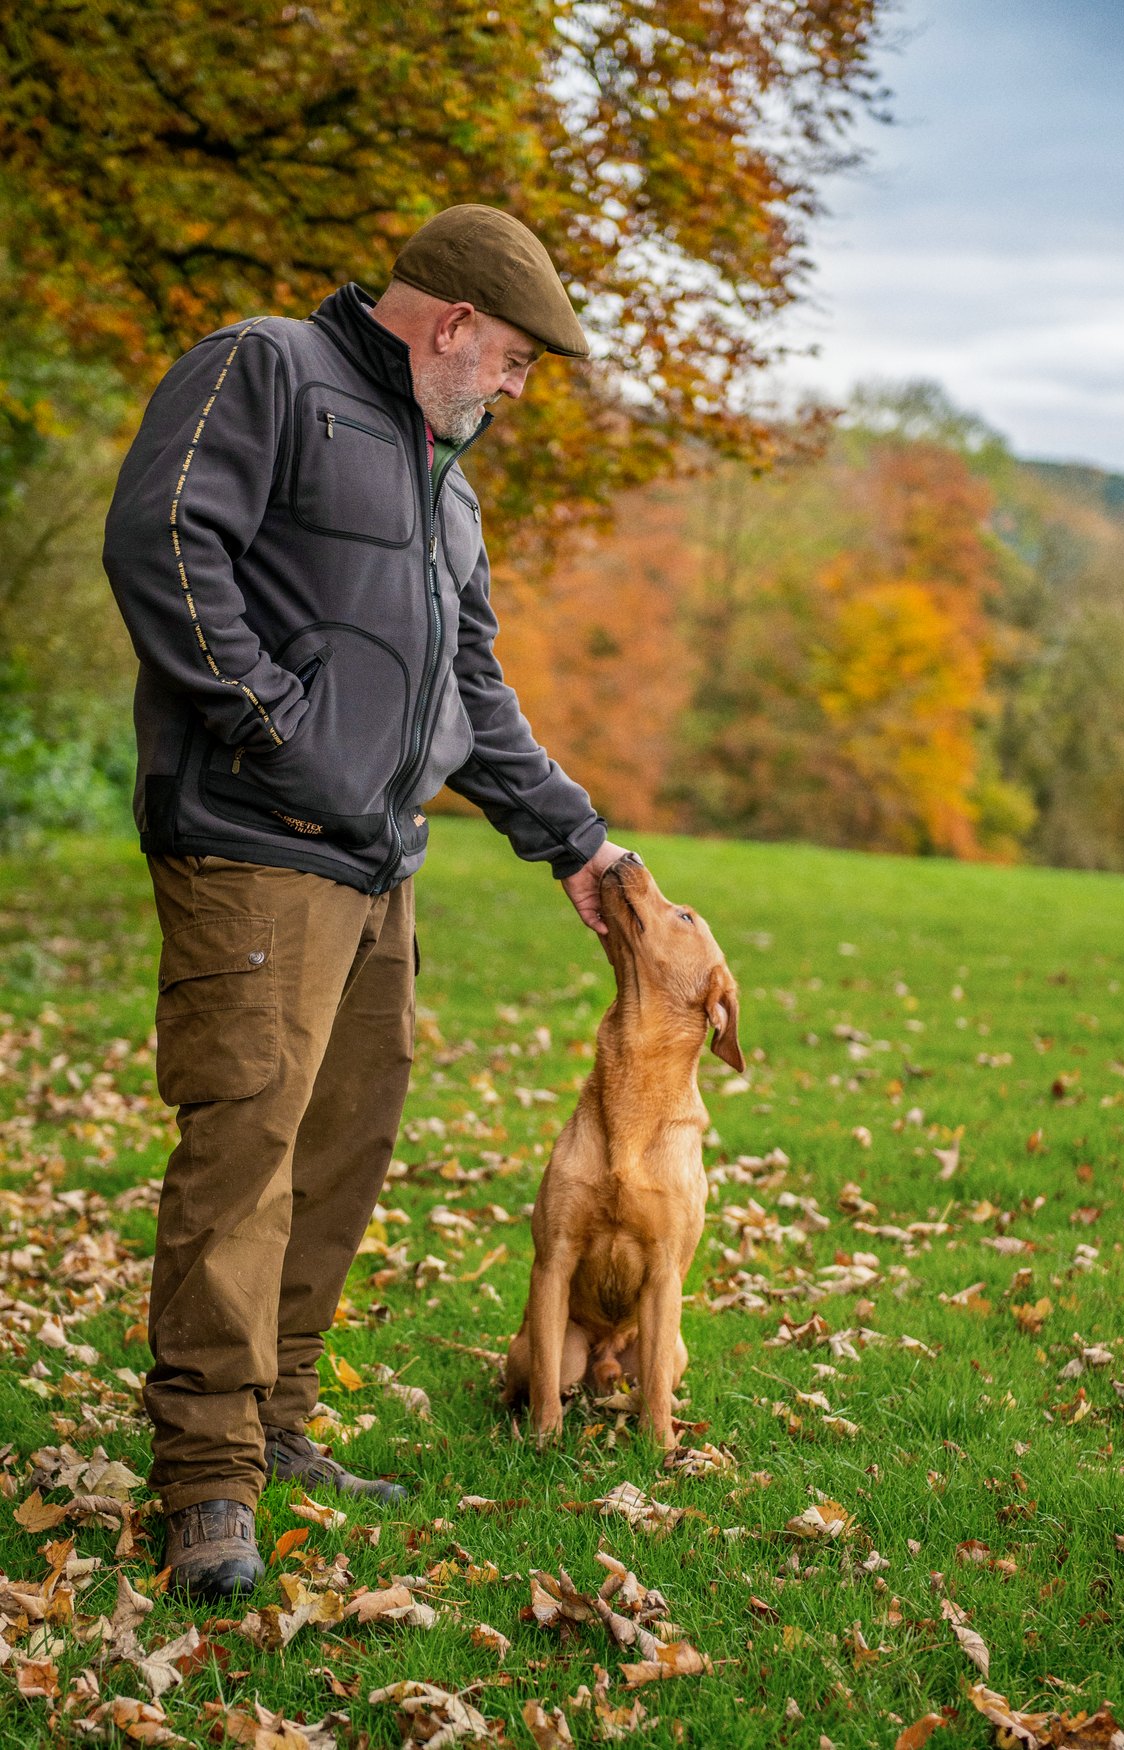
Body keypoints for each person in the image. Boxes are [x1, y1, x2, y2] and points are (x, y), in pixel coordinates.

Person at [104, 204, 628, 1600]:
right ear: (450, 323)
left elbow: (474, 692)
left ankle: (273, 1426)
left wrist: (575, 839)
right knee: (244, 1154)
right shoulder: (264, 368)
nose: (514, 392)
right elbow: (163, 541)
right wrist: (278, 728)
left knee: (343, 1144)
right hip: (253, 843)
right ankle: (207, 1481)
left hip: (378, 868)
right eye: (513, 360)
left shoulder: (447, 482)